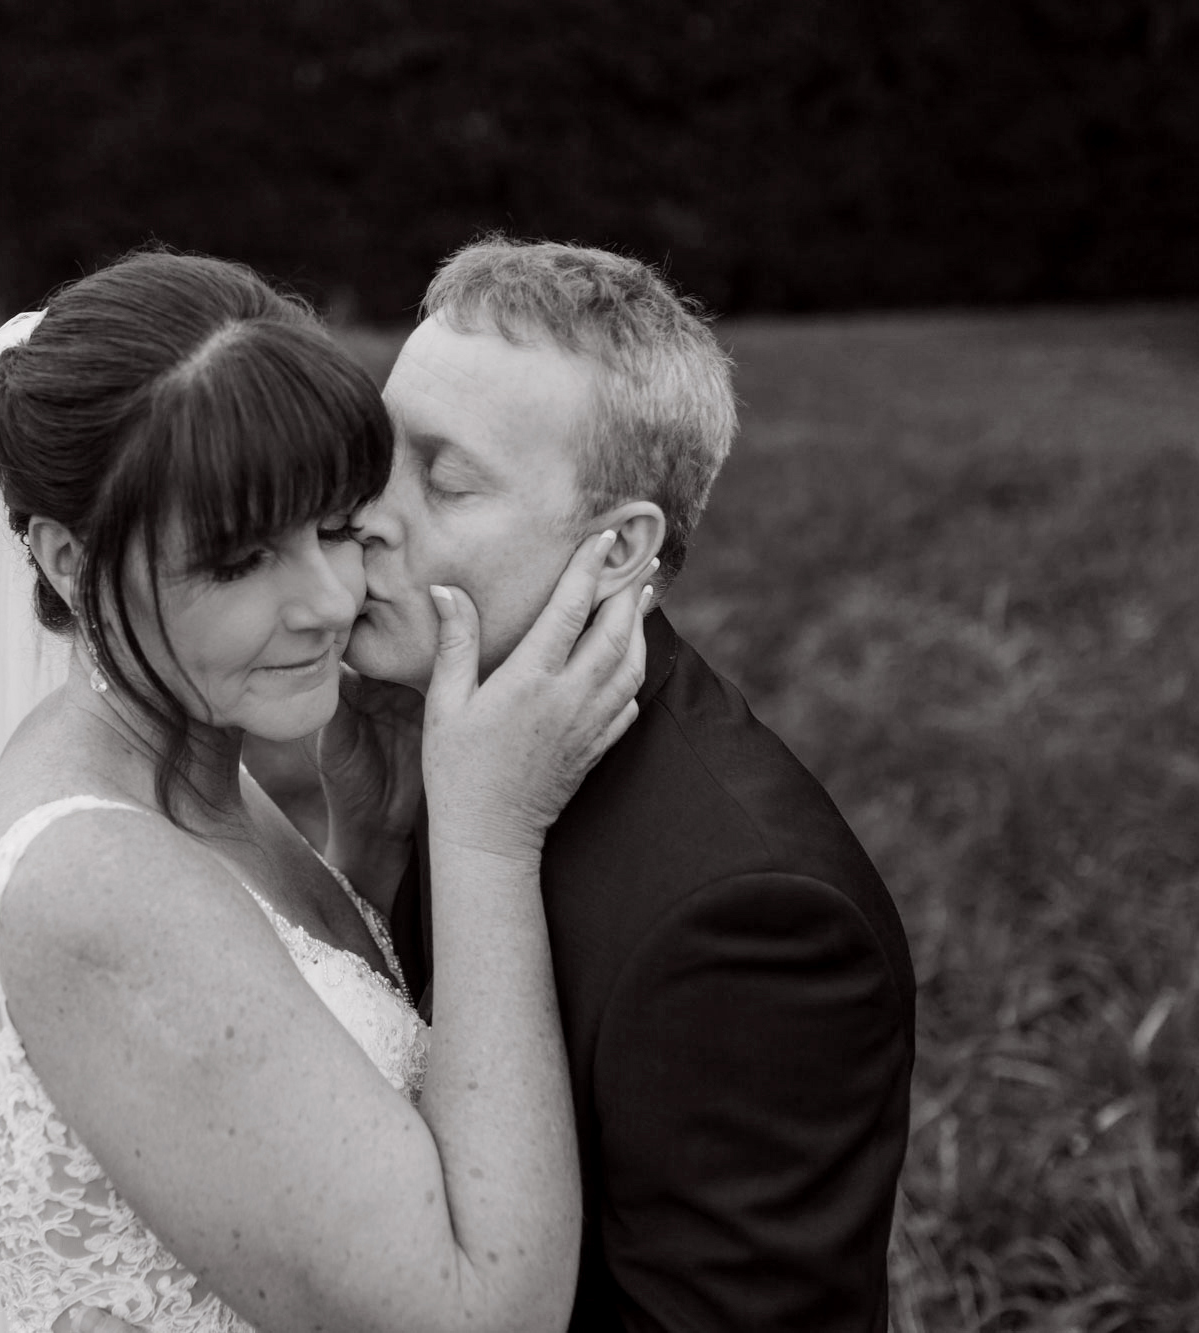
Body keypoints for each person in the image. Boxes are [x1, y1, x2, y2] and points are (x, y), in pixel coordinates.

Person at [0, 249, 650, 1333]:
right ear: (65, 559)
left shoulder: (178, 775)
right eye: (241, 561)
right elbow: (478, 1315)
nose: (330, 599)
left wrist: (369, 853)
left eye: (333, 525)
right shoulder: (95, 885)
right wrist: (483, 838)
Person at [339, 238, 917, 1331]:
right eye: (376, 450)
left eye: (443, 477)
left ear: (614, 554)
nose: (368, 510)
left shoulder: (749, 917)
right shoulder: (454, 732)